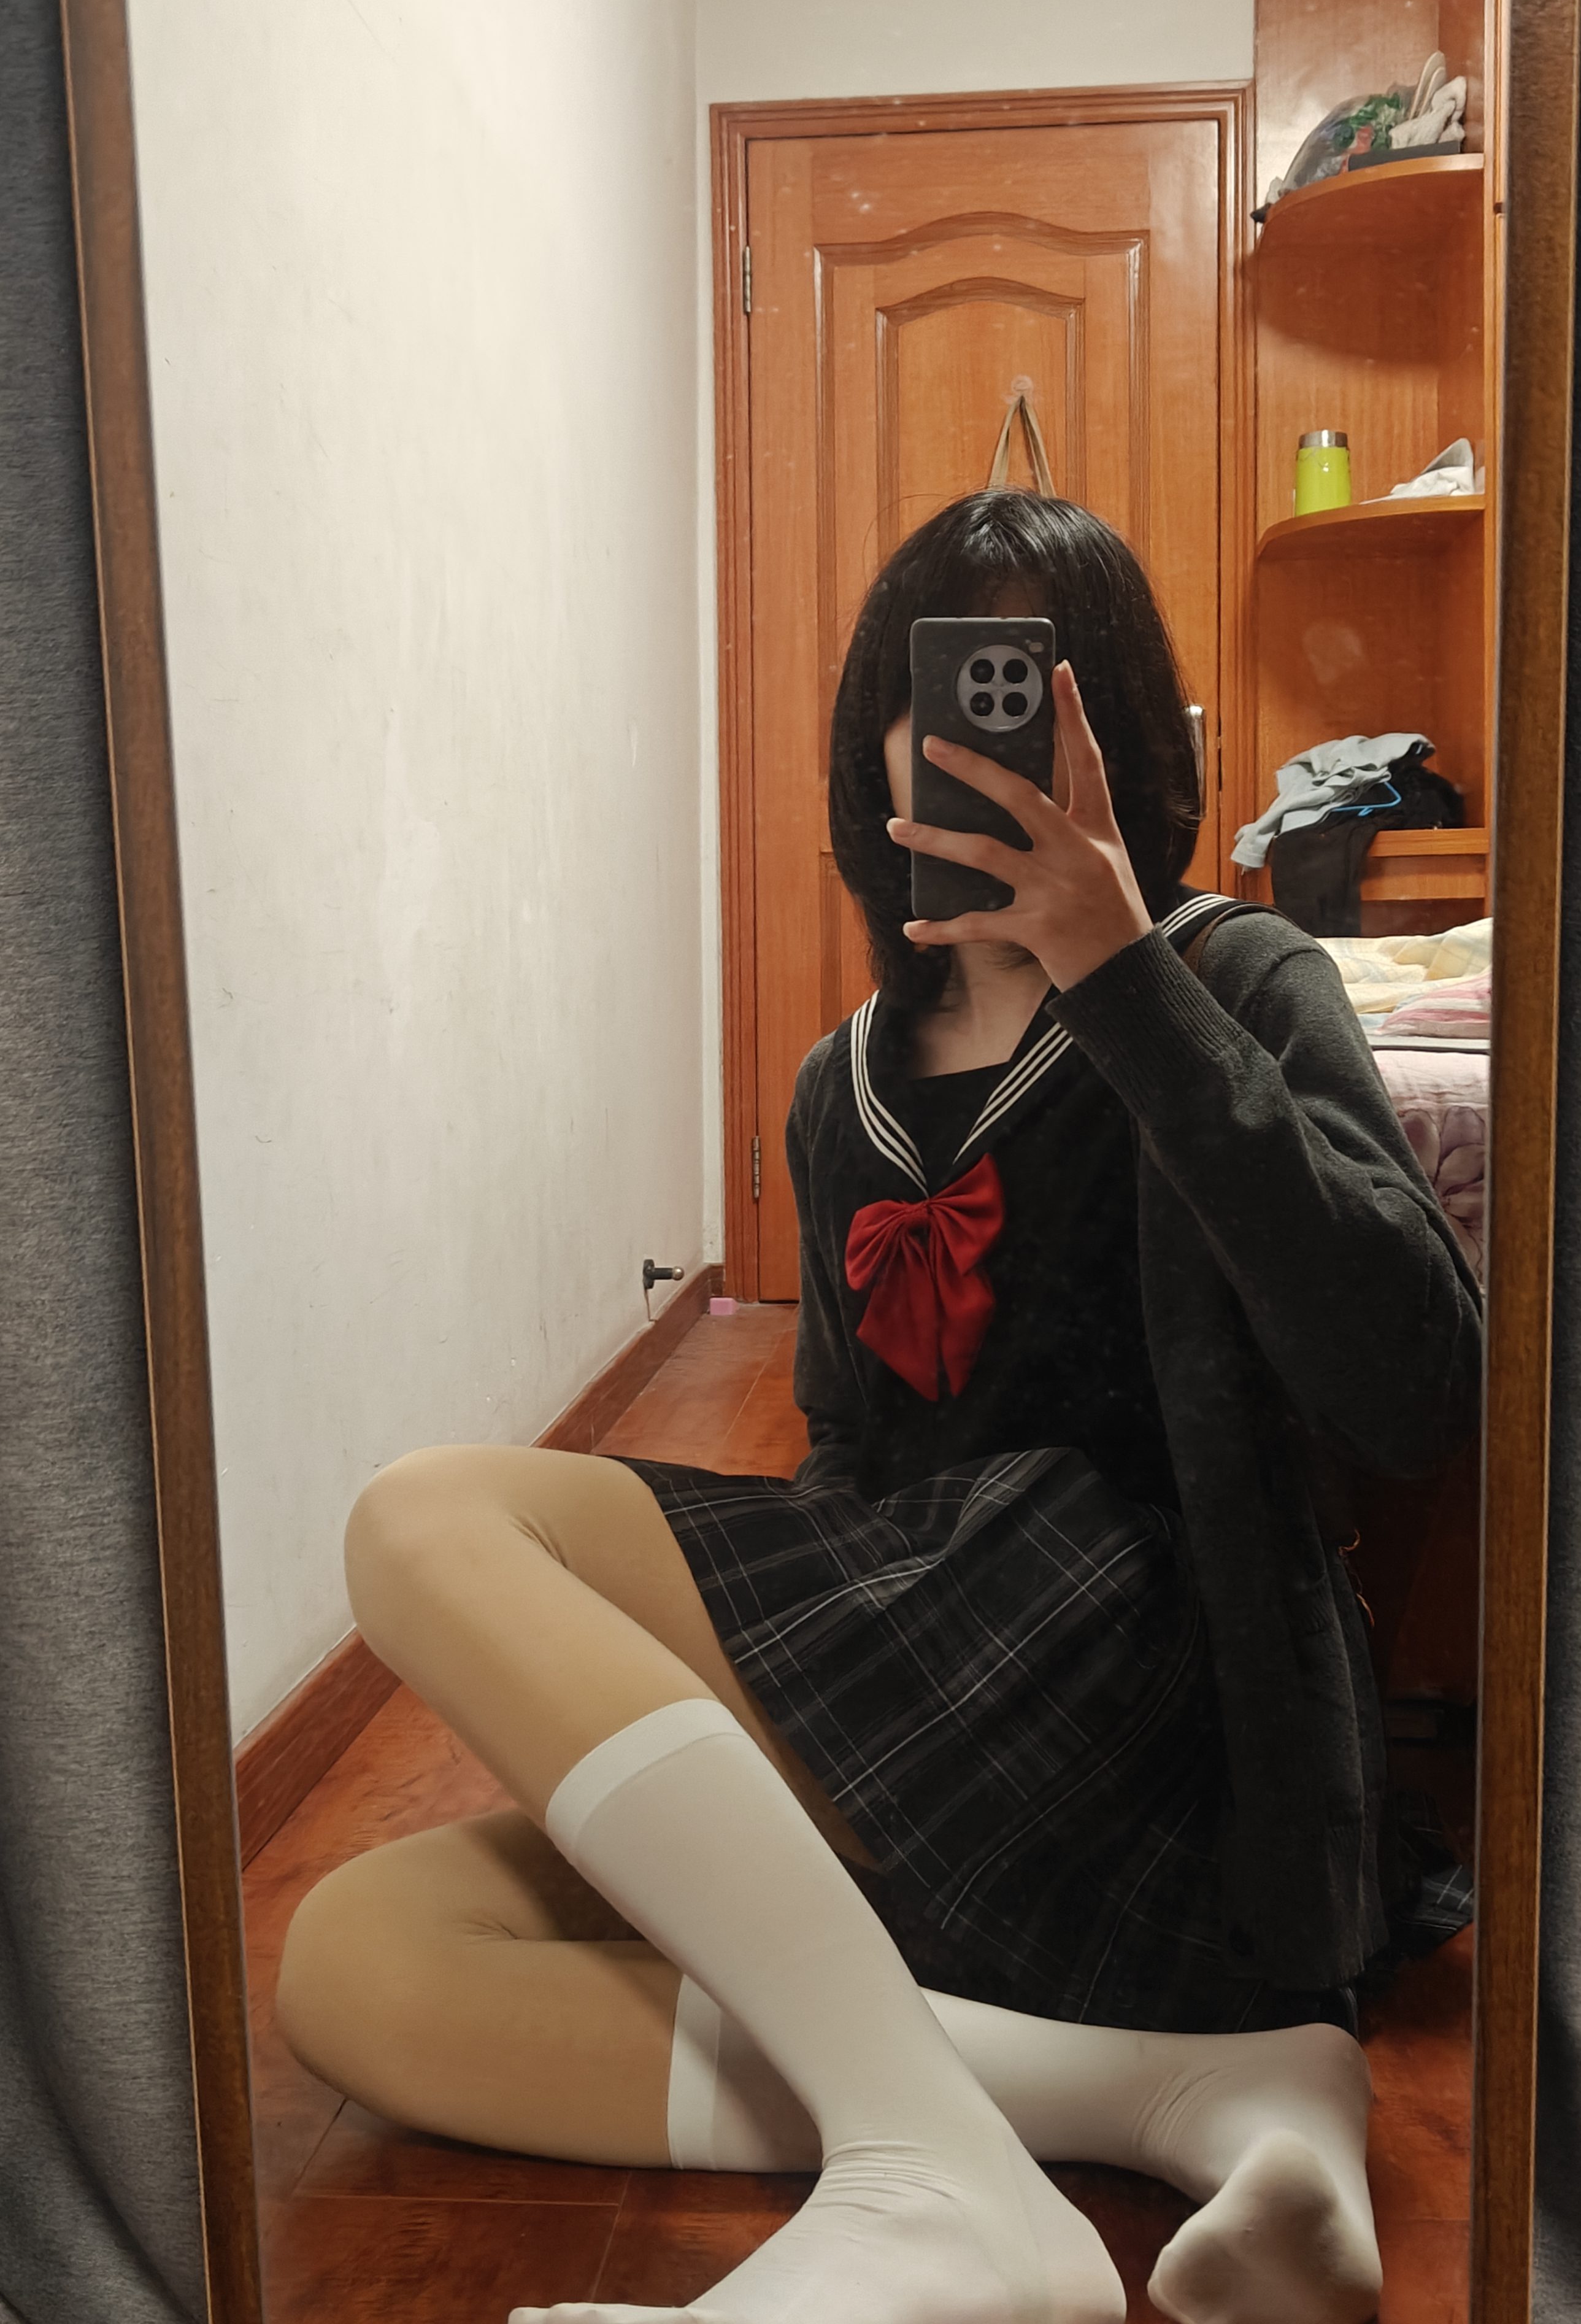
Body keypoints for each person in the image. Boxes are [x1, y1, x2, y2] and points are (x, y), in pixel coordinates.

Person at [275, 492, 1482, 2324]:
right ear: (877, 743)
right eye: (946, 685)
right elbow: (852, 1456)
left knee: (427, 1516)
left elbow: (1411, 1386)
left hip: (1157, 1695)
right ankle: (1181, 2102)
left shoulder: (1232, 977)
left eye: (1035, 685)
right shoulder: (841, 1083)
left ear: (1115, 737)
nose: (978, 734)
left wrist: (1121, 972)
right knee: (361, 1954)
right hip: (932, 1687)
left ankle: (934, 2173)